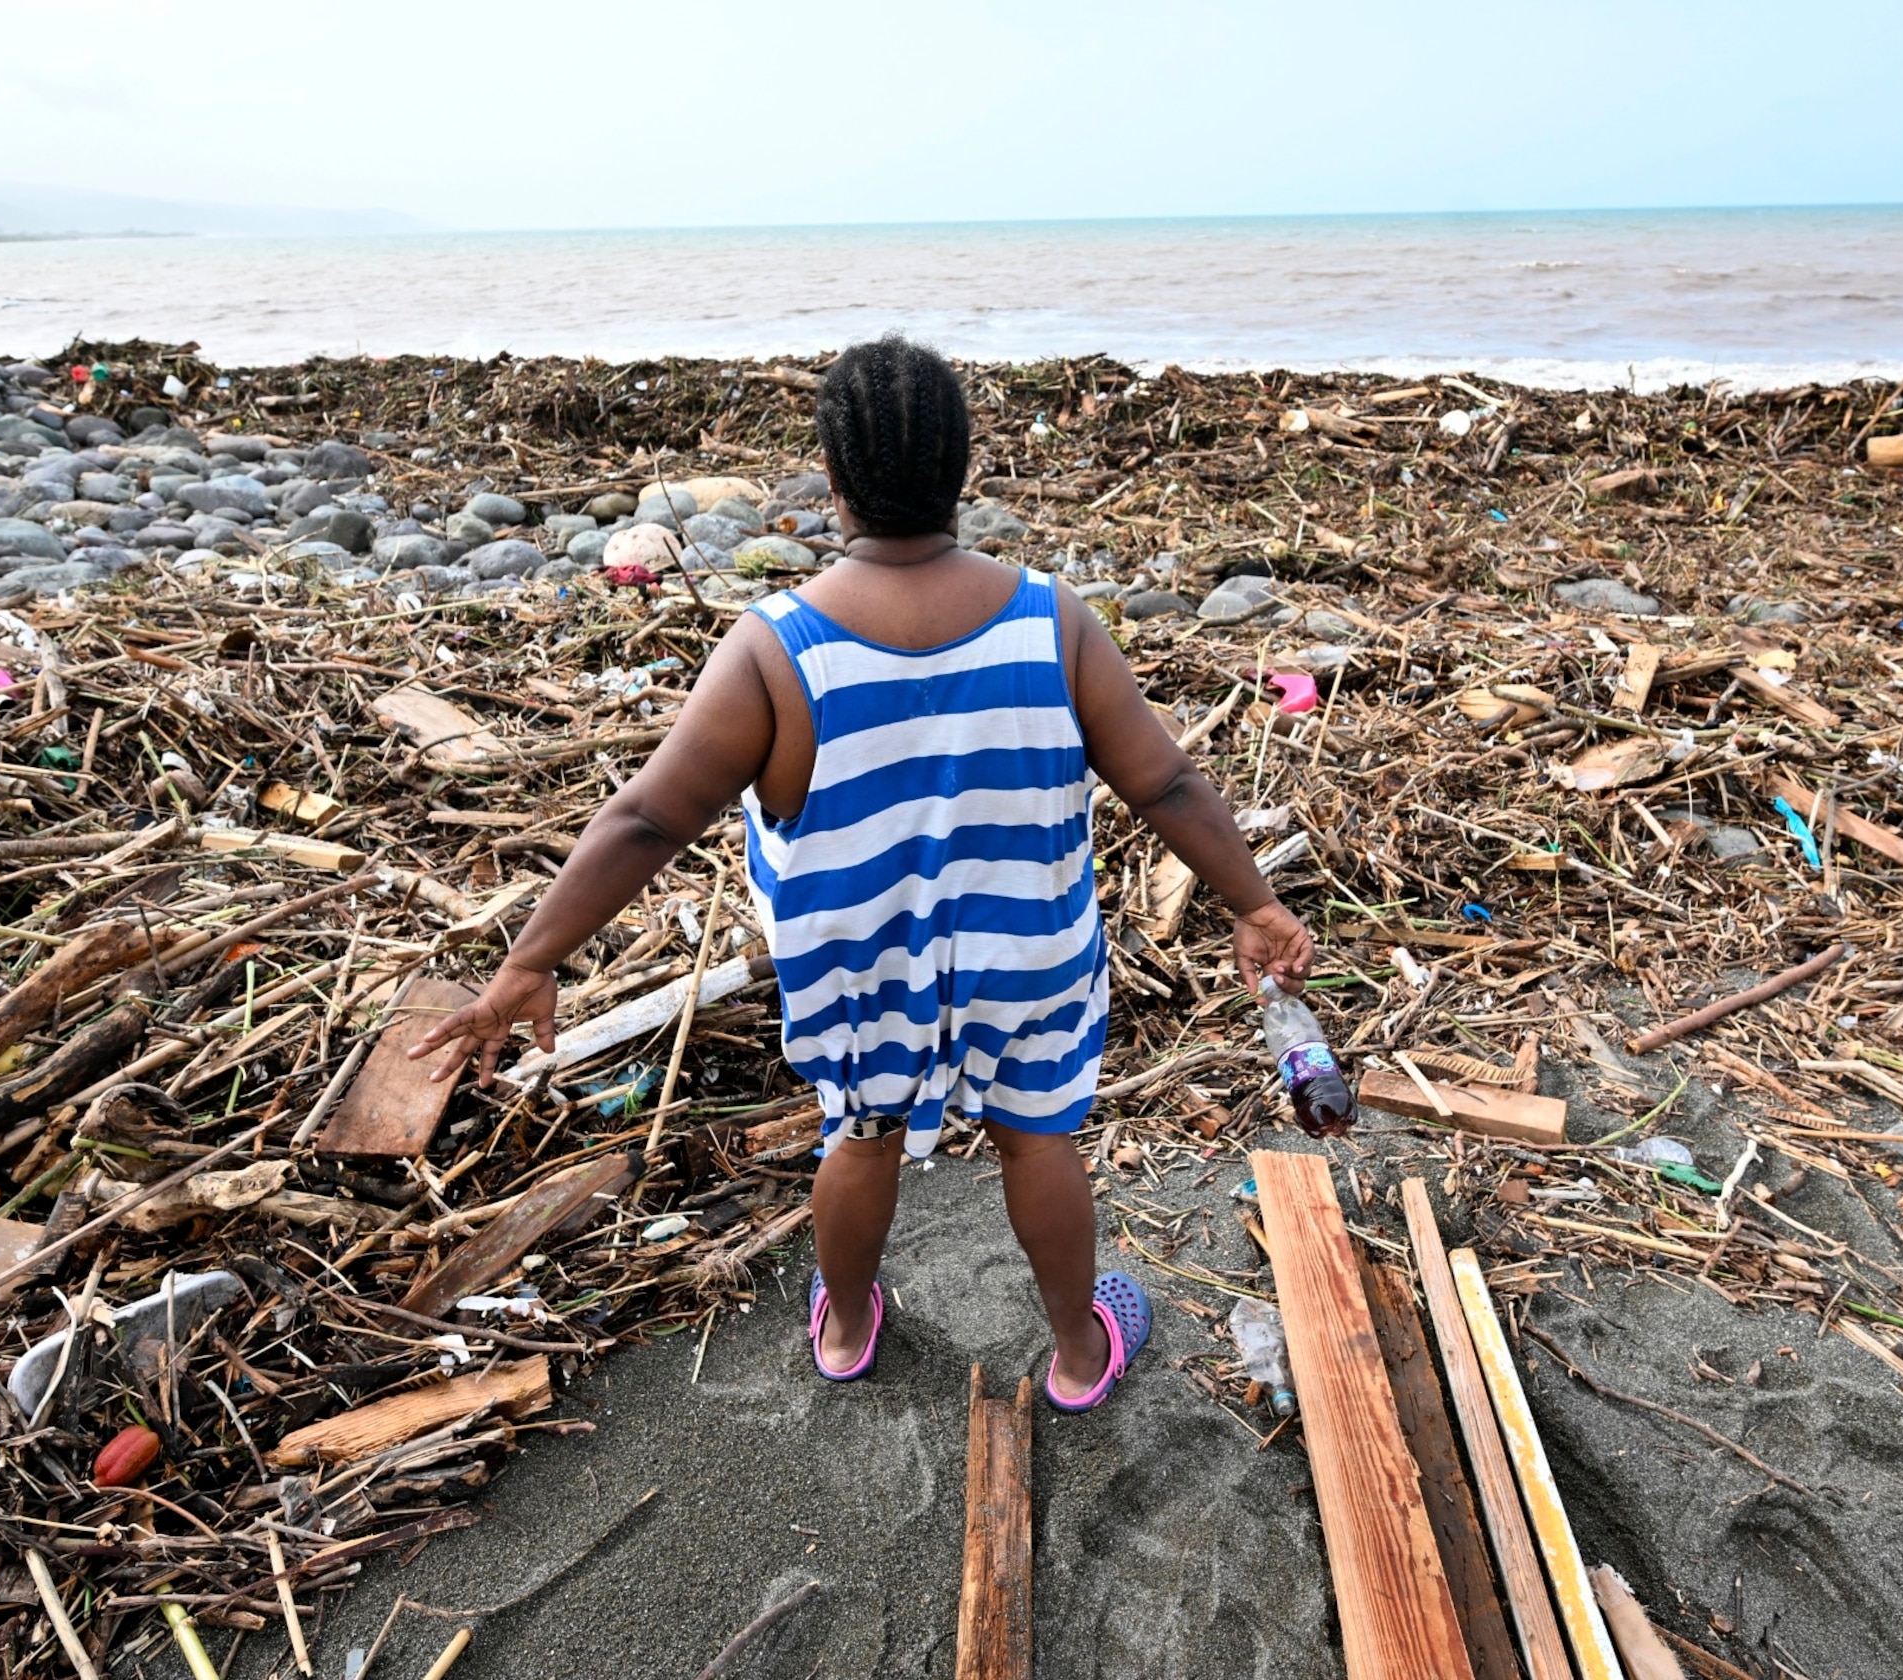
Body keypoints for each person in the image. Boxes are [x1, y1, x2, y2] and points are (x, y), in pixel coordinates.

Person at [415, 337, 1310, 1409]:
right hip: (1027, 947)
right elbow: (1163, 783)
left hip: (860, 961)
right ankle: (1078, 1348)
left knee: (865, 1128)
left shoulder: (774, 648)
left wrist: (530, 960)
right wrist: (1252, 901)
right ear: (962, 472)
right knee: (1039, 1135)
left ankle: (845, 1322)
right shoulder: (1051, 619)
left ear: (832, 481)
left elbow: (649, 815)